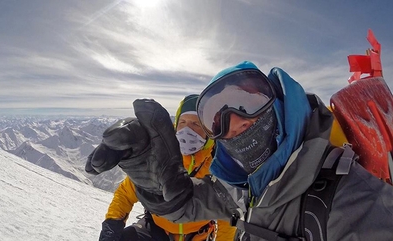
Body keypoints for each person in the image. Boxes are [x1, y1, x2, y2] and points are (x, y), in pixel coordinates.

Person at [90, 61, 393, 241]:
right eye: (216, 119)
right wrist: (146, 171)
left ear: (280, 101)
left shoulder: (354, 198)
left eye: (246, 102)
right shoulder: (241, 185)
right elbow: (183, 205)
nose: (233, 122)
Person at [97, 95, 237, 241]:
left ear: (209, 131)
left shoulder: (218, 166)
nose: (187, 130)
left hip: (198, 236)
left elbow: (226, 215)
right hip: (156, 231)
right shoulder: (160, 156)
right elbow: (126, 194)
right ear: (176, 125)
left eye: (196, 124)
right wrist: (112, 225)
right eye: (183, 122)